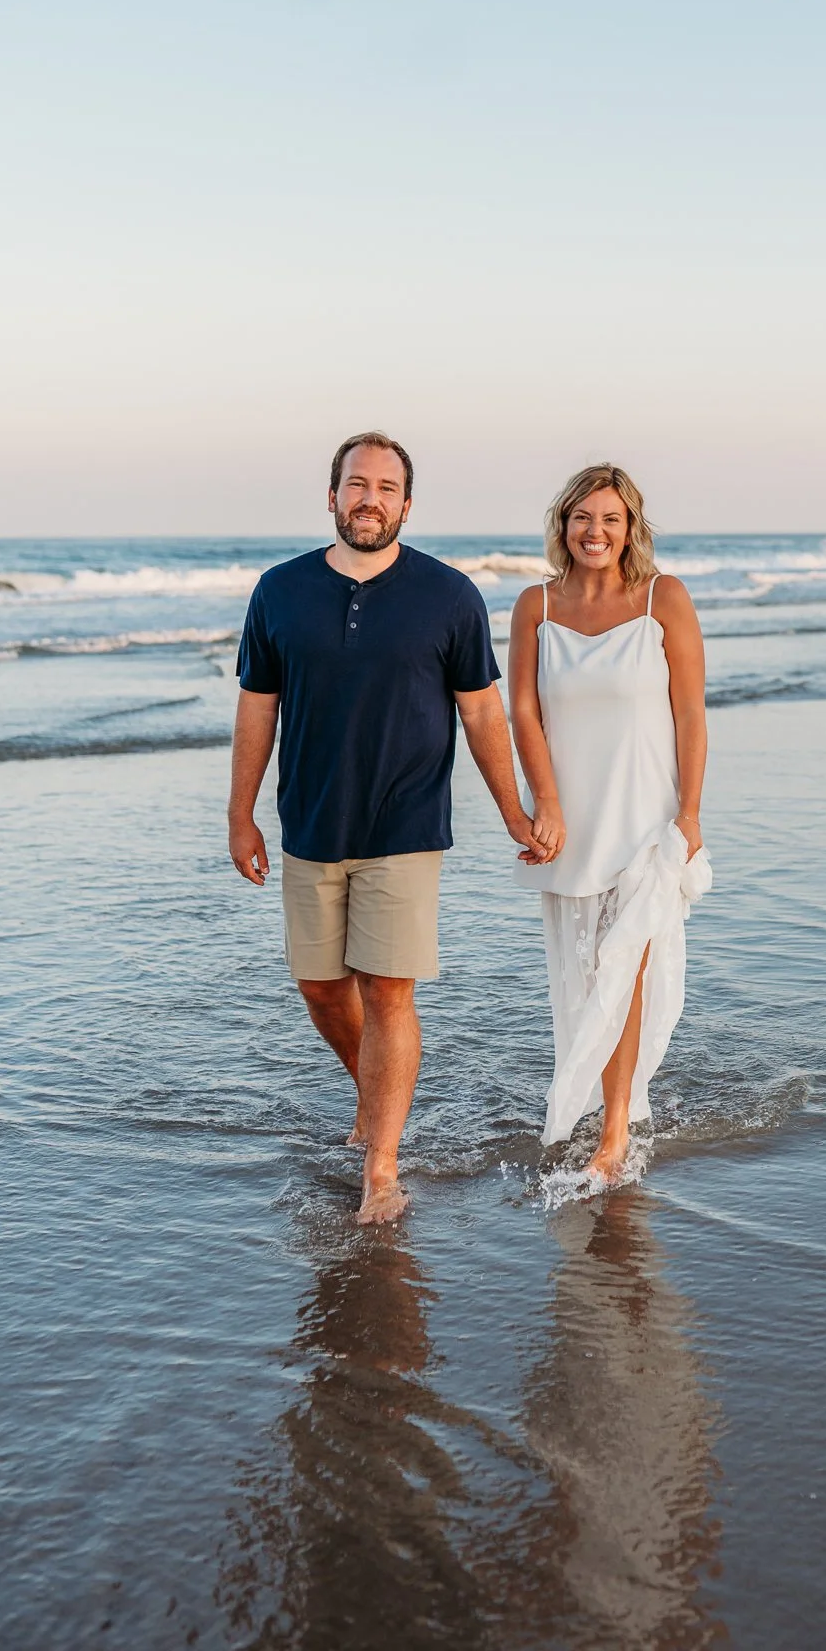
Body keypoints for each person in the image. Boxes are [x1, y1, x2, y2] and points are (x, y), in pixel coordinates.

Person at [228, 431, 547, 1224]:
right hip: (308, 822)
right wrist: (240, 813)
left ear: (407, 504)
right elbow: (255, 708)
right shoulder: (279, 590)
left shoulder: (448, 595)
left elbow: (480, 713)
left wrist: (514, 810)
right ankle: (379, 1098)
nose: (369, 498)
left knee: (387, 990)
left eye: (385, 487)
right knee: (320, 988)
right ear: (330, 495)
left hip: (405, 823)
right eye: (355, 483)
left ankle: (381, 1163)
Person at [508, 463, 711, 1183]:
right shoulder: (535, 604)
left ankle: (614, 1129)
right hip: (571, 819)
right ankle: (608, 1107)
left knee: (622, 965)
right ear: (562, 525)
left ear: (631, 529)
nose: (595, 532)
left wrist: (687, 814)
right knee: (587, 973)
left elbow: (690, 712)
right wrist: (545, 804)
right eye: (582, 518)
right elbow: (522, 712)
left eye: (610, 519)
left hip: (644, 817)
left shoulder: (664, 598)